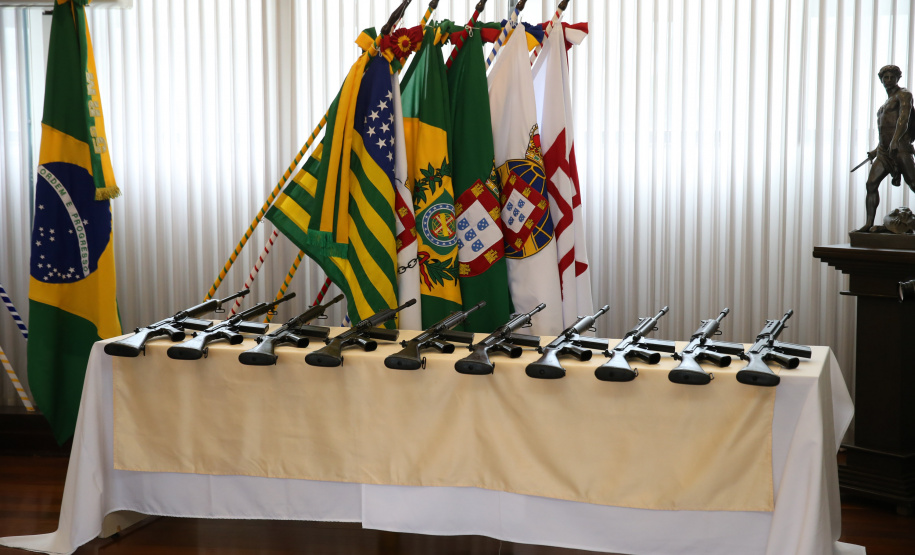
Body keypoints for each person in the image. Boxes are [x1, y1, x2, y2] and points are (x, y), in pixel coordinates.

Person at [857, 65, 915, 232]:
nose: (888, 80)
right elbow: (885, 131)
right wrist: (876, 150)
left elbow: (903, 119)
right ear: (881, 79)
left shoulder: (904, 95)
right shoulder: (884, 104)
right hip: (884, 151)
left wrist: (896, 140)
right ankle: (869, 223)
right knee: (871, 184)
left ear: (898, 78)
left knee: (913, 182)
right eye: (885, 77)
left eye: (892, 77)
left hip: (900, 147)